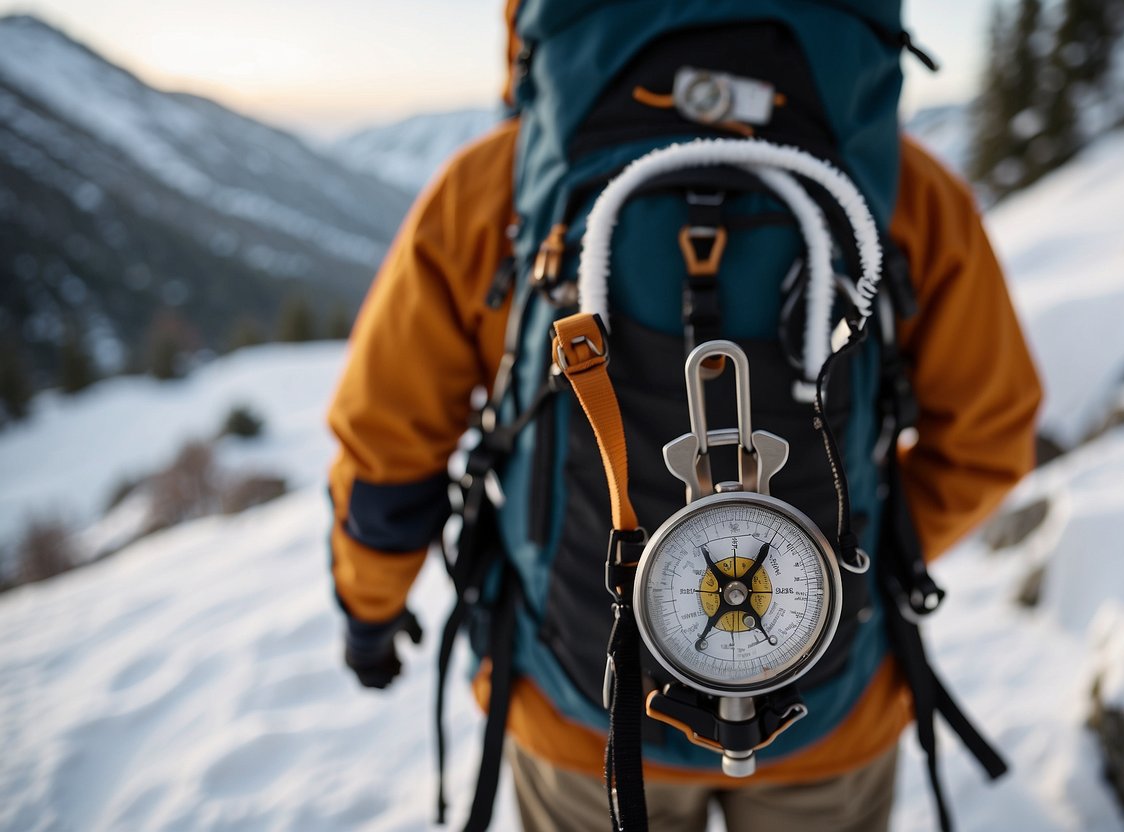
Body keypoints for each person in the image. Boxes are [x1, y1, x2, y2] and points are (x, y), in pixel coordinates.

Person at [327, 7, 1042, 832]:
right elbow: (990, 434)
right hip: (827, 706)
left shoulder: (496, 185)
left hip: (578, 710)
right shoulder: (902, 190)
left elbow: (386, 443)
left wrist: (370, 616)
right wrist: (835, 565)